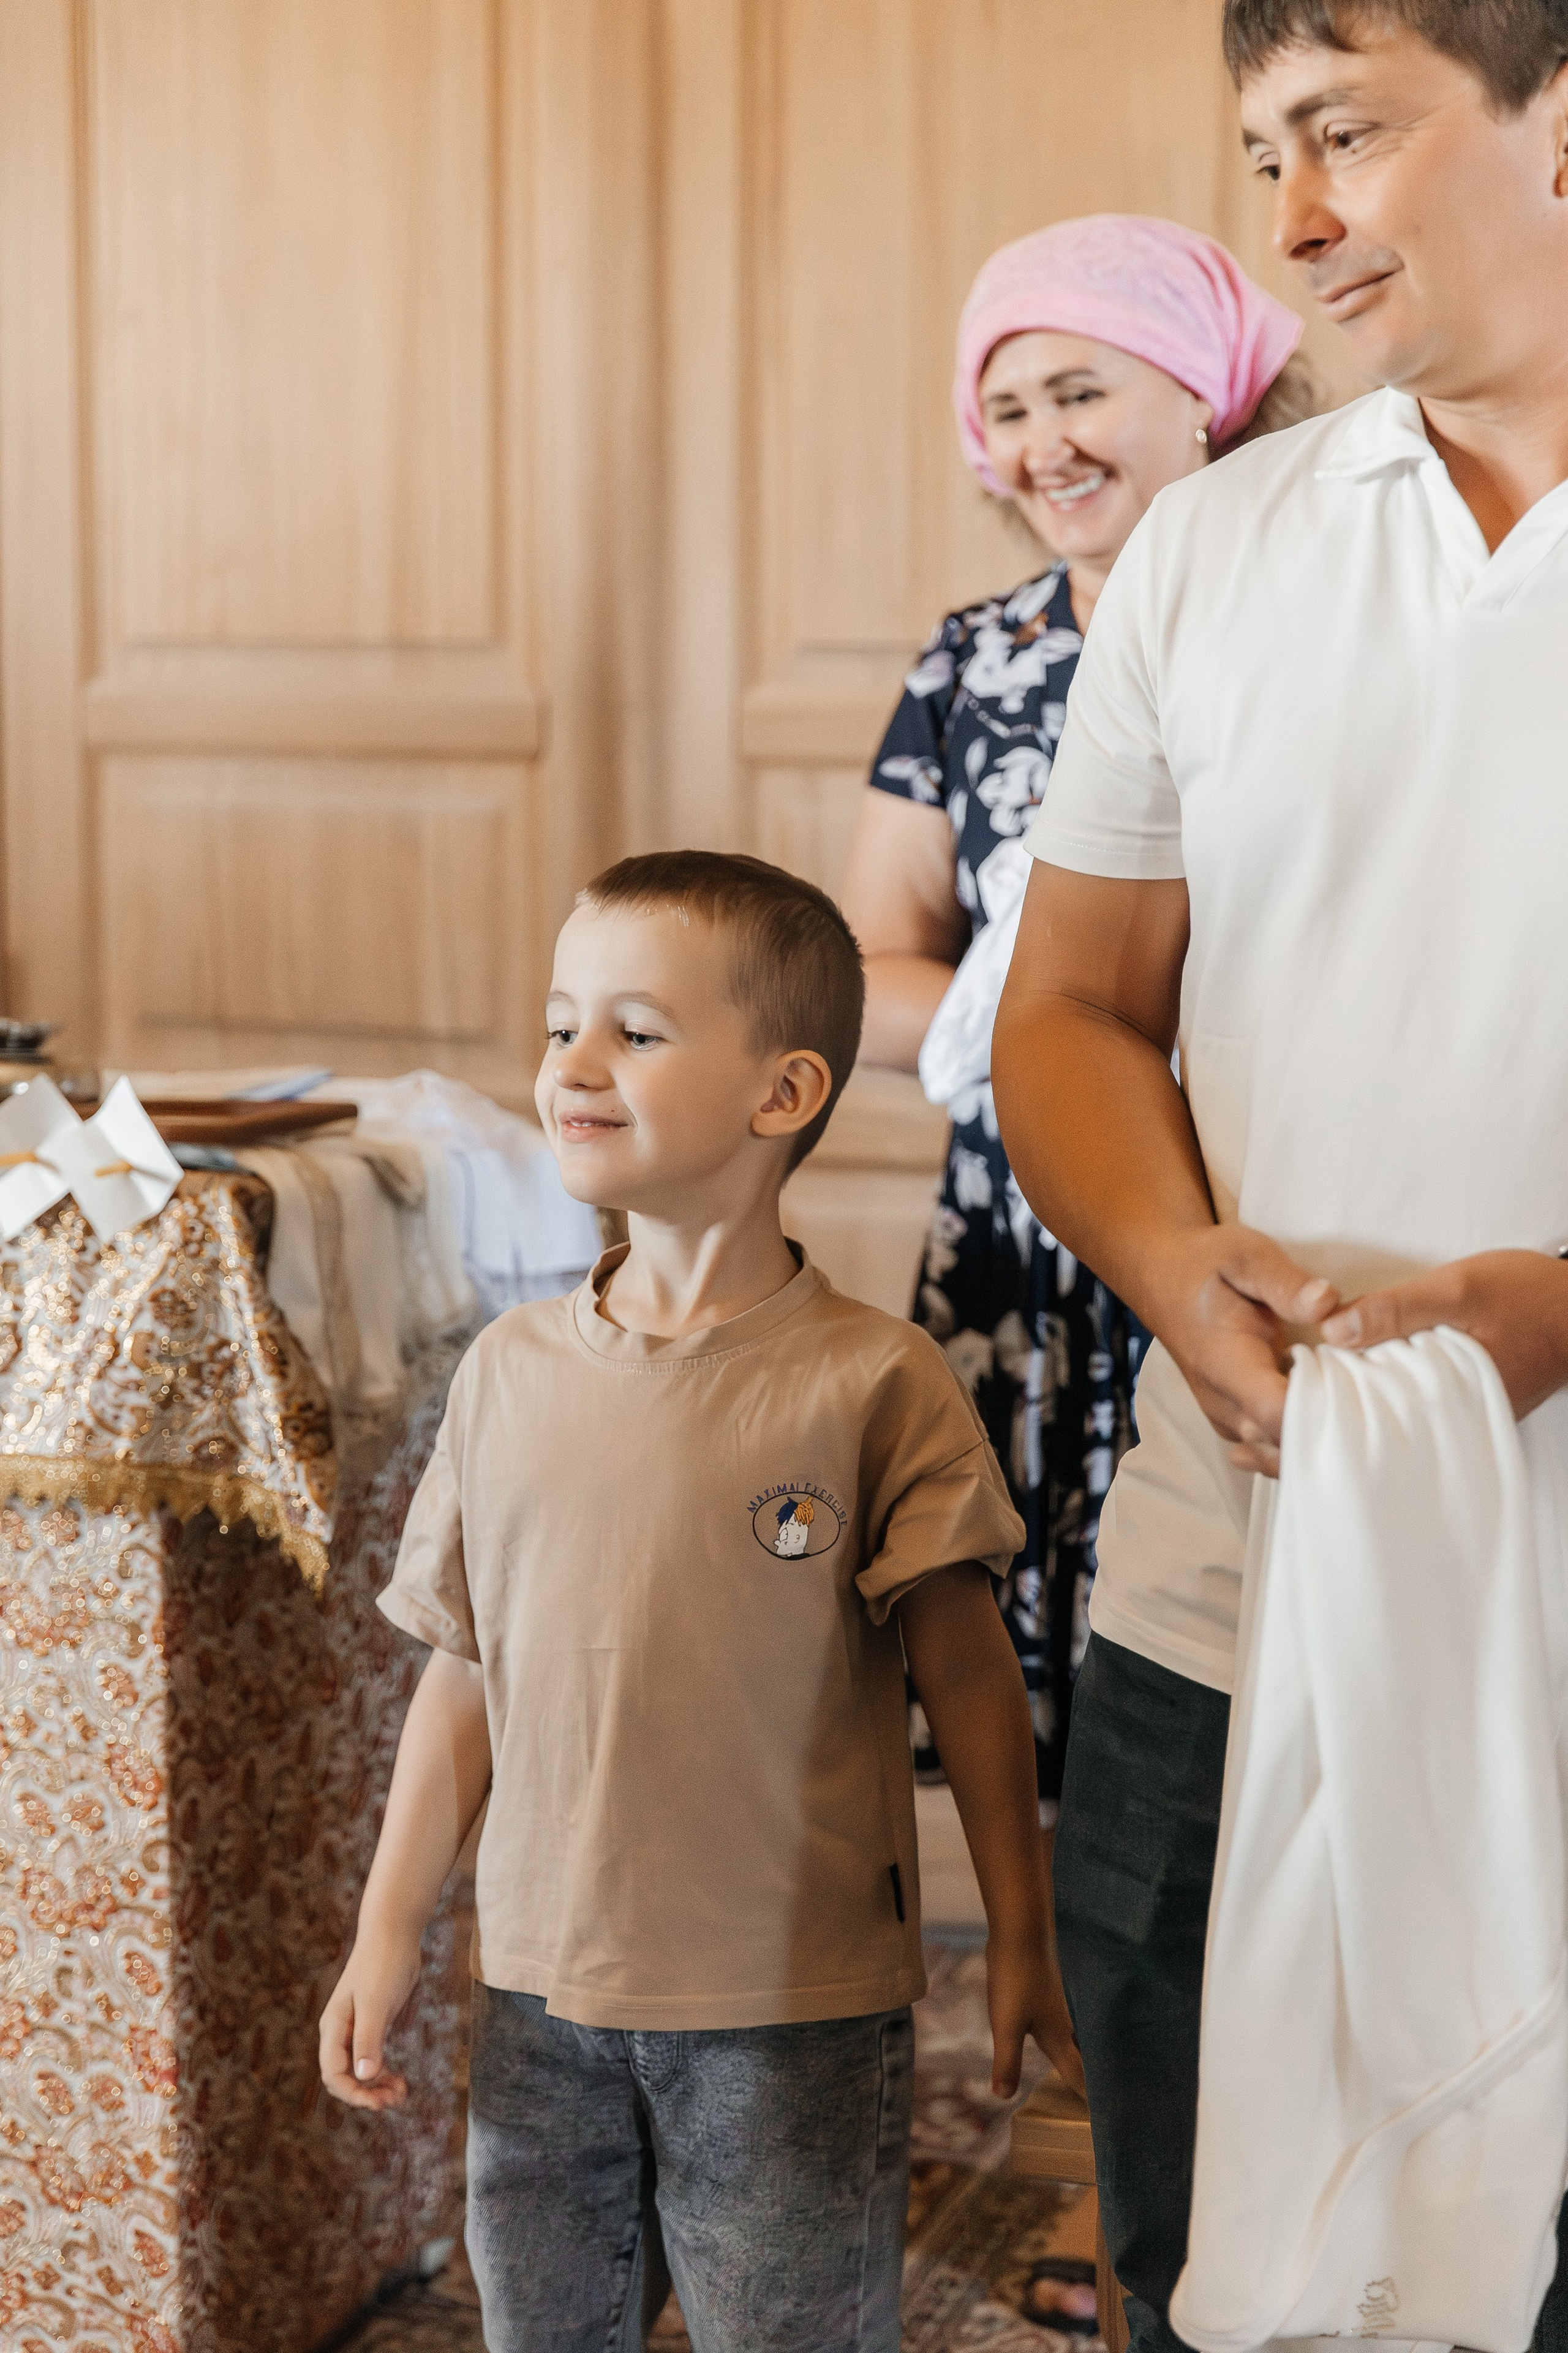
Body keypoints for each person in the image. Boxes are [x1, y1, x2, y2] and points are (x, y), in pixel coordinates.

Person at [991, 6, 1568, 2349]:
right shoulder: (1212, 557)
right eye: (1265, 156)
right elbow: (1073, 1013)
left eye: (1350, 134)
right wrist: (1166, 1255)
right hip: (1223, 1598)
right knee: (1208, 2267)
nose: (1297, 216)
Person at [318, 850, 1073, 2353]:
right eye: (557, 1025)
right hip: (537, 1992)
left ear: (779, 1093)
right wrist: (389, 1922)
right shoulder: (504, 1373)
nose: (570, 1067)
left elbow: (972, 1683)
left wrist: (1020, 1932)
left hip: (790, 2007)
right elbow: (464, 1676)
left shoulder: (875, 1380)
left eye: (633, 1033)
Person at [839, 215, 1311, 1812]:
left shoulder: (1311, 624)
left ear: (1203, 397)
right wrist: (1022, 996)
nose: (1043, 443)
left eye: (1080, 391)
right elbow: (866, 968)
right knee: (1026, 1697)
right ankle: (1061, 2022)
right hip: (1024, 1235)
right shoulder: (975, 664)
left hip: (1250, 1205)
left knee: (1251, 1685)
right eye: (1012, 406)